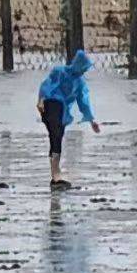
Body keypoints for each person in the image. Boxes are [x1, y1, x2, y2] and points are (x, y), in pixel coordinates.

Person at [37, 49, 101, 186]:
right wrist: (41, 100)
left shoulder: (80, 83)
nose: (83, 71)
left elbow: (84, 101)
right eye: (83, 68)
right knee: (55, 135)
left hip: (62, 112)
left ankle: (55, 174)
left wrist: (91, 120)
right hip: (50, 105)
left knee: (56, 136)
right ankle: (55, 174)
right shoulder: (59, 71)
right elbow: (46, 86)